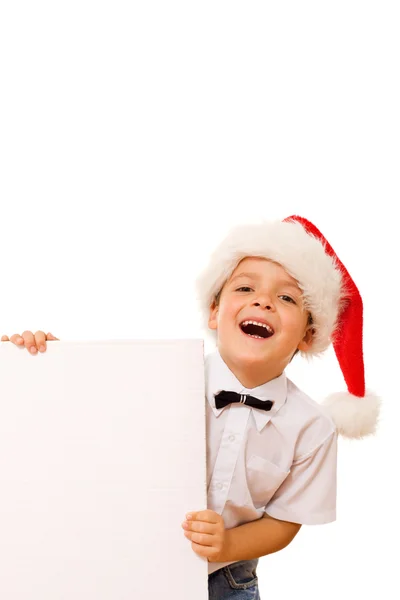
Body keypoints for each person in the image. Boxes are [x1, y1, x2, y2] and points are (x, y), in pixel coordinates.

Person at [1, 215, 380, 599]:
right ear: (214, 312)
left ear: (308, 334)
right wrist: (44, 361)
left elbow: (286, 522)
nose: (263, 301)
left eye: (286, 298)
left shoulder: (312, 428)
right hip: (124, 560)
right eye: (246, 287)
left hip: (227, 581)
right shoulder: (161, 376)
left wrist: (228, 546)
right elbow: (91, 408)